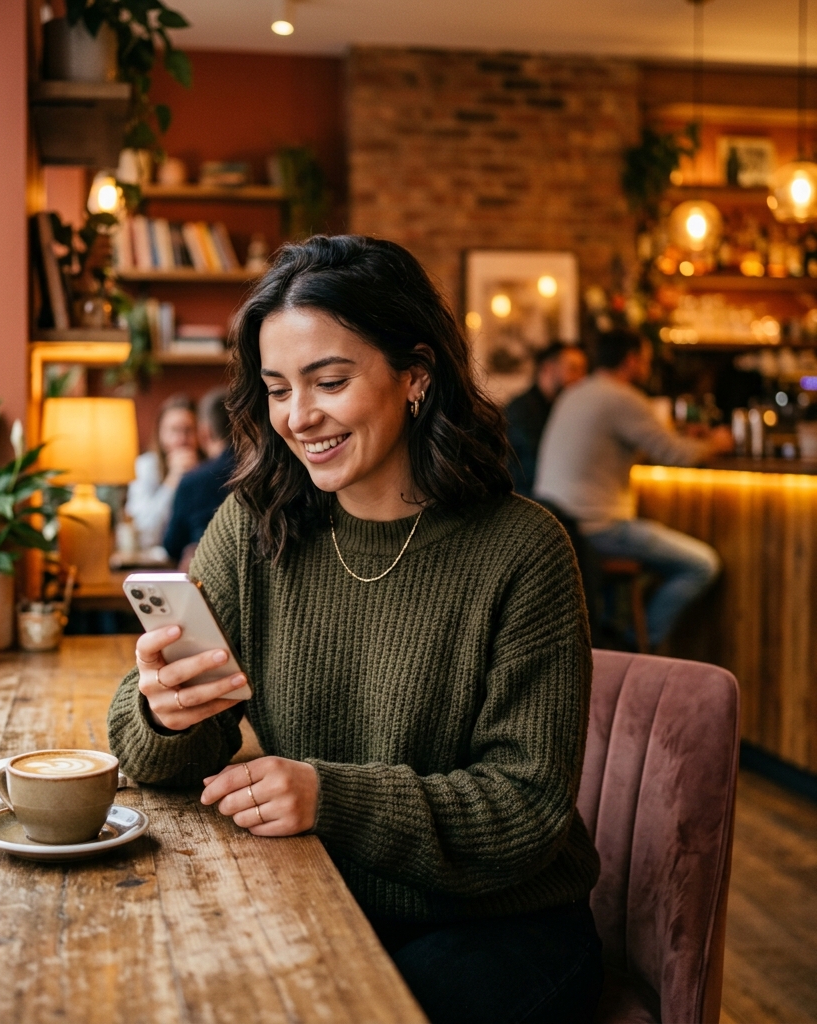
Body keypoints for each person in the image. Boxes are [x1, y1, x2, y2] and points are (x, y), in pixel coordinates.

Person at [109, 236, 603, 1024]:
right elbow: (149, 761)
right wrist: (163, 711)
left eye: (329, 381)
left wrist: (329, 795)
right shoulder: (257, 526)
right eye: (277, 389)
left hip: (497, 924)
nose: (299, 418)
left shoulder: (523, 549)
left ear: (416, 375)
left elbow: (527, 809)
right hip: (322, 891)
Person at [535, 329, 734, 650]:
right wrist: (716, 443)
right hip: (597, 529)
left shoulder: (576, 392)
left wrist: (686, 436)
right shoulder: (624, 398)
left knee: (650, 572)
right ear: (631, 361)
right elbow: (675, 454)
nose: (648, 366)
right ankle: (635, 647)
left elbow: (629, 442)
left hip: (561, 527)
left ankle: (617, 633)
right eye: (646, 359)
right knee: (702, 564)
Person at [162, 387, 236, 564]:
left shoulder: (192, 481)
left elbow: (172, 546)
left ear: (204, 432)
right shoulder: (265, 472)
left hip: (206, 577)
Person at [505, 342, 587, 496]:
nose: (581, 379)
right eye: (573, 369)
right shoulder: (520, 411)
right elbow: (534, 467)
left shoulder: (562, 408)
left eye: (583, 371)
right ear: (548, 368)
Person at [125, 395, 200, 555]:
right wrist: (173, 479)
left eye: (188, 430)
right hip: (156, 561)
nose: (181, 439)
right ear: (160, 432)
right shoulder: (145, 466)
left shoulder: (209, 469)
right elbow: (146, 532)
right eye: (173, 430)